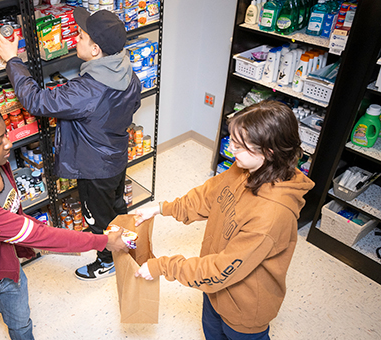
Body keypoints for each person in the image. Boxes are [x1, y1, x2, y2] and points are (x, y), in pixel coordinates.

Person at [0, 99, 128, 340]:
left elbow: (19, 218)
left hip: (7, 267)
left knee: (22, 325)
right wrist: (101, 241)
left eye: (6, 134)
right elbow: (35, 234)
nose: (9, 143)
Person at [133, 101, 315, 339]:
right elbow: (207, 196)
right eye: (232, 141)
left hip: (243, 311)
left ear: (268, 152)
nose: (231, 149)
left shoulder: (271, 215)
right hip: (213, 289)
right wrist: (160, 208)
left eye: (240, 146)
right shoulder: (246, 168)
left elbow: (221, 269)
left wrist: (162, 266)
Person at [0, 8, 142, 281]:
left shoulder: (86, 90)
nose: (75, 39)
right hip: (116, 157)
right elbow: (133, 103)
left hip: (94, 168)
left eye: (81, 36)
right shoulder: (127, 71)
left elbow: (37, 101)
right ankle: (127, 247)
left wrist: (12, 60)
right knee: (117, 207)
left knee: (97, 219)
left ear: (96, 49)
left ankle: (107, 260)